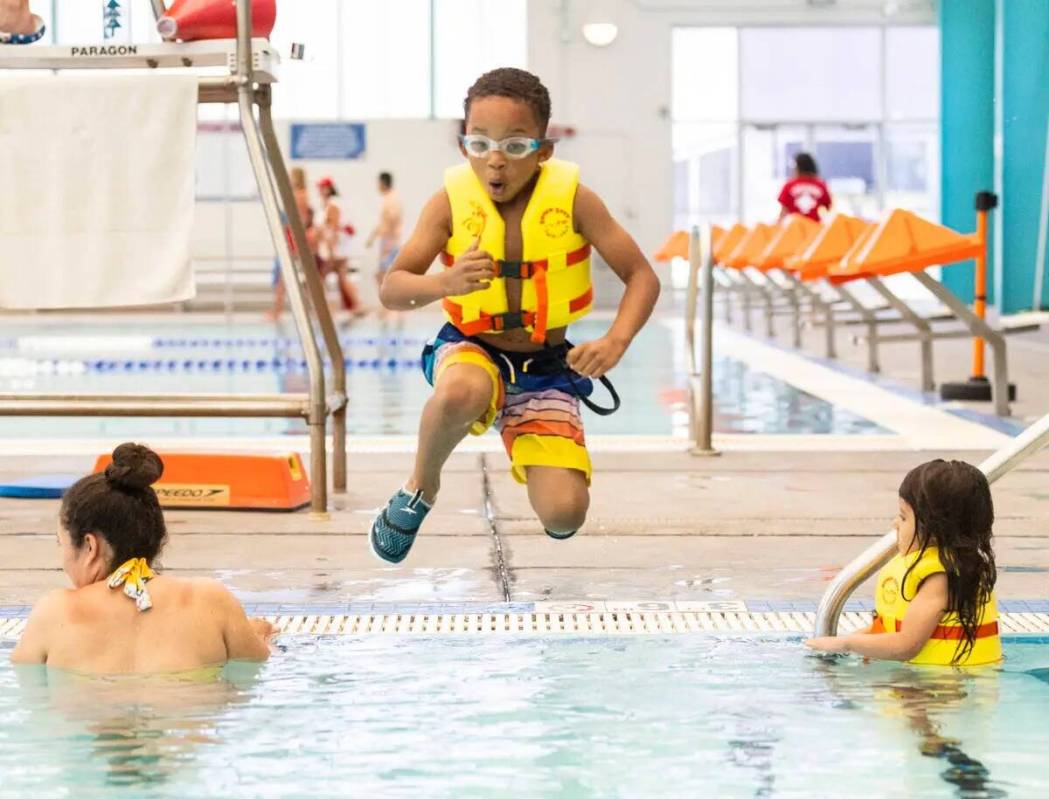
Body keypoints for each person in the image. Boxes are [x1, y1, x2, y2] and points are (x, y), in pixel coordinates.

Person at [369, 67, 660, 564]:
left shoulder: (576, 202)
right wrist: (445, 283)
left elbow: (642, 276)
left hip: (545, 370)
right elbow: (393, 289)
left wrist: (616, 340)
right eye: (480, 144)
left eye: (516, 145)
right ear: (464, 147)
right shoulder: (448, 205)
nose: (496, 161)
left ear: (544, 151)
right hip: (470, 348)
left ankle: (525, 433)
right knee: (465, 389)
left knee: (564, 515)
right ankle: (421, 485)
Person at [11, 443, 276, 673]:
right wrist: (255, 634)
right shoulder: (211, 601)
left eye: (62, 543)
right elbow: (255, 664)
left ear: (90, 547)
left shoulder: (55, 613)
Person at [806, 459, 1001, 665]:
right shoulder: (944, 566)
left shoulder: (940, 578)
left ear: (935, 528)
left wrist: (847, 644)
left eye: (904, 517)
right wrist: (842, 642)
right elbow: (892, 628)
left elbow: (906, 645)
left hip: (943, 690)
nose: (895, 523)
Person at [267, 166, 317, 321]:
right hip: (292, 236)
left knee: (285, 276)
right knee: (293, 276)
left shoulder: (299, 195)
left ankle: (278, 311)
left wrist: (293, 239)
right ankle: (312, 310)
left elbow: (301, 220)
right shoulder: (299, 194)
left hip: (294, 237)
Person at [316, 176, 364, 314]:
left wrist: (331, 250)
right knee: (341, 278)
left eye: (321, 188)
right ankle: (357, 304)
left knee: (319, 278)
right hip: (338, 250)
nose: (319, 191)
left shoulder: (333, 205)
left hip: (336, 251)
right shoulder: (331, 205)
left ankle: (326, 308)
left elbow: (333, 229)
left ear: (327, 189)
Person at [366, 171, 404, 290]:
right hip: (388, 241)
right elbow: (384, 223)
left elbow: (392, 219)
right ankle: (389, 306)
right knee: (382, 275)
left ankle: (390, 306)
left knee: (383, 275)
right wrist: (372, 238)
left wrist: (387, 240)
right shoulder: (390, 199)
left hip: (390, 242)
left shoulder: (391, 200)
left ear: (383, 183)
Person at [777, 152, 831, 222]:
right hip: (815, 226)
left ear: (797, 167)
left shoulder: (789, 185)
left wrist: (778, 224)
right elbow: (828, 208)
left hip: (794, 227)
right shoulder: (820, 185)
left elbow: (784, 210)